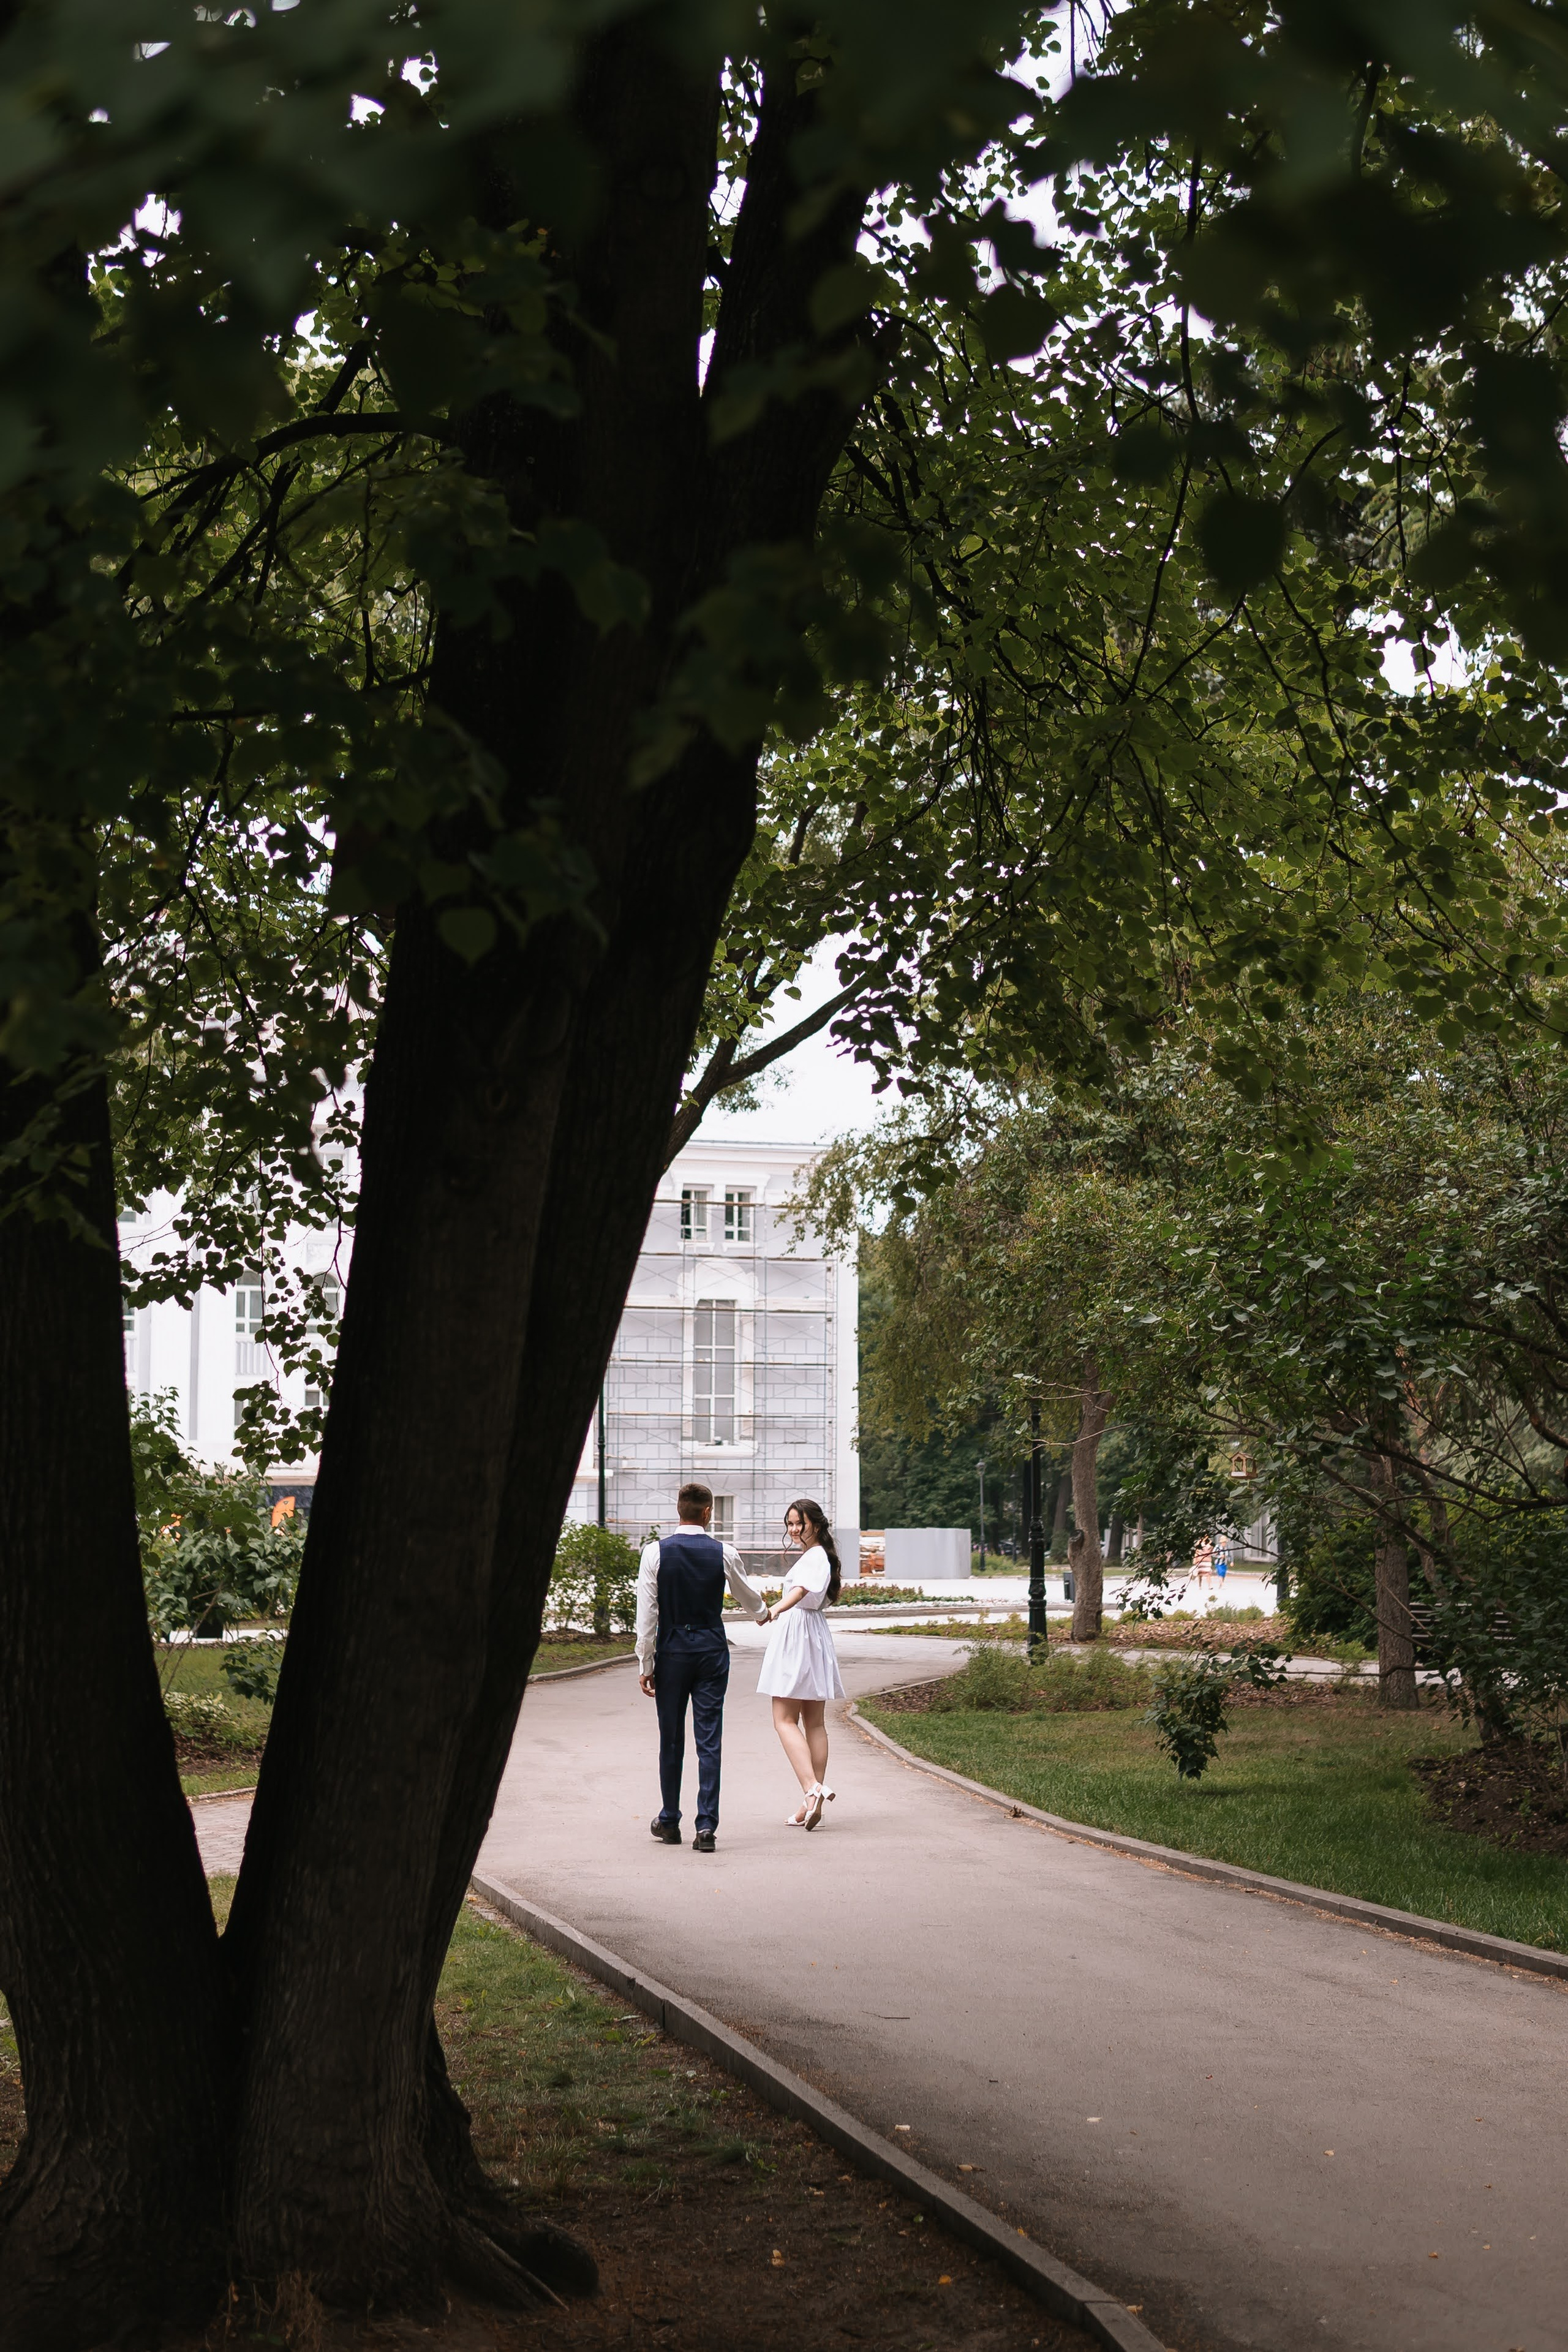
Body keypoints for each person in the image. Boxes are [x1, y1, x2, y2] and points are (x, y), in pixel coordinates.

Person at [637, 1482, 769, 1852]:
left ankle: (668, 1820)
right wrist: (762, 1614)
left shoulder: (655, 1553)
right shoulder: (723, 1552)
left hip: (673, 1650)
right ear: (708, 1512)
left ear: (678, 1510)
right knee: (709, 1739)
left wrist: (645, 1663)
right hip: (712, 1649)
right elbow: (746, 1594)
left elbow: (647, 1615)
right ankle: (707, 1827)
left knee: (671, 1738)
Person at [756, 1498, 845, 1830]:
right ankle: (811, 1803)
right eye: (790, 1524)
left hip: (798, 1635)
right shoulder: (821, 1556)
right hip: (814, 1636)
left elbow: (800, 1591)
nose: (794, 1530)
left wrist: (774, 1610)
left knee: (783, 1719)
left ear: (817, 1525)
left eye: (800, 1523)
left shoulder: (815, 1556)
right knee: (815, 1723)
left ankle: (812, 1790)